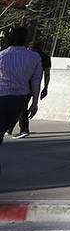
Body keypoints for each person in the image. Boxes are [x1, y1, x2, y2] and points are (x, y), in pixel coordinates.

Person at [0, 27, 43, 163]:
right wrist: (35, 103)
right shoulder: (34, 57)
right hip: (19, 100)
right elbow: (36, 81)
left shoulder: (2, 55)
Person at [11, 38, 51, 139]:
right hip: (35, 84)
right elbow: (47, 74)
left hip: (23, 83)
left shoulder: (28, 56)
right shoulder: (45, 57)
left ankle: (24, 129)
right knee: (21, 106)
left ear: (30, 48)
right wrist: (46, 87)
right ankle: (10, 128)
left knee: (21, 106)